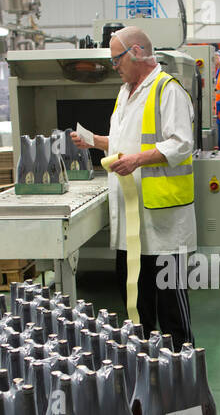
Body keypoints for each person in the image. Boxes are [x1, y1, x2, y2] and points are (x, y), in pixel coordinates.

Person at [71, 26, 197, 348]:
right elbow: (124, 142)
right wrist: (94, 142)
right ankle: (146, 362)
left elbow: (182, 143)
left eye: (117, 59)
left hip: (163, 220)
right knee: (135, 301)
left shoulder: (168, 90)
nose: (114, 66)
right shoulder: (125, 93)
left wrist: (138, 160)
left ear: (138, 52)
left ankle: (181, 367)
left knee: (171, 307)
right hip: (131, 220)